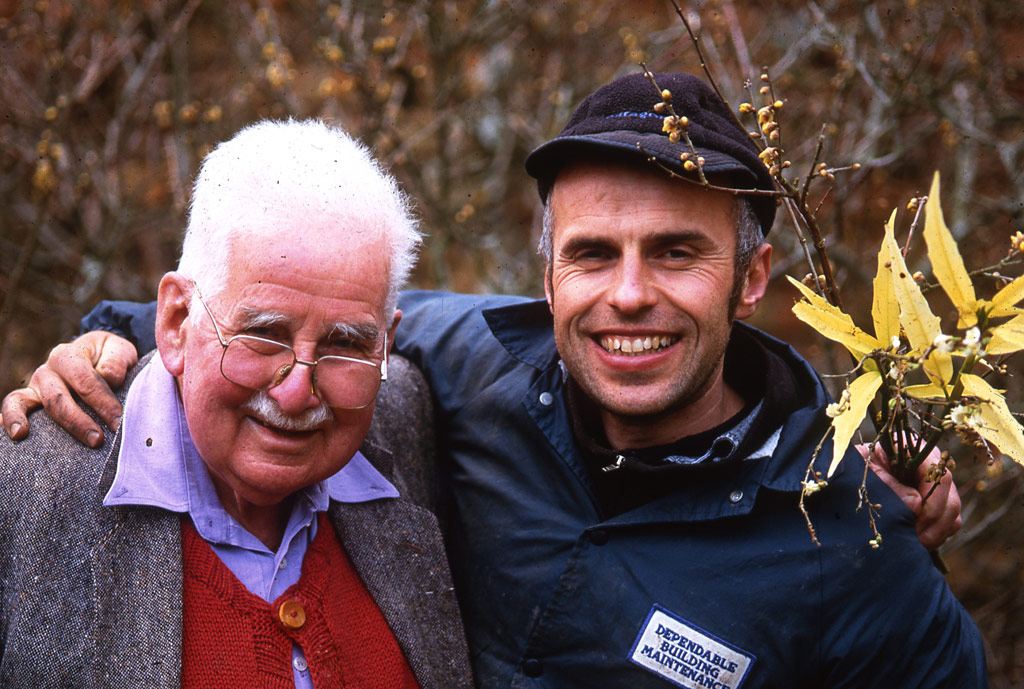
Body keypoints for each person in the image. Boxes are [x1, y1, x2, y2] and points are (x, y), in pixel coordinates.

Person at [3, 74, 984, 688]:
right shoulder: (471, 362)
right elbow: (267, 315)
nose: (628, 295)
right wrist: (100, 350)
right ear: (547, 277)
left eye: (677, 252)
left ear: (753, 276)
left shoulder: (851, 540)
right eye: (593, 254)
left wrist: (881, 459)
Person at [0, 119, 471, 688]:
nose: (298, 391)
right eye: (264, 333)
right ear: (176, 322)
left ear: (385, 345)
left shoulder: (403, 416)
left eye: (345, 342)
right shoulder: (24, 488)